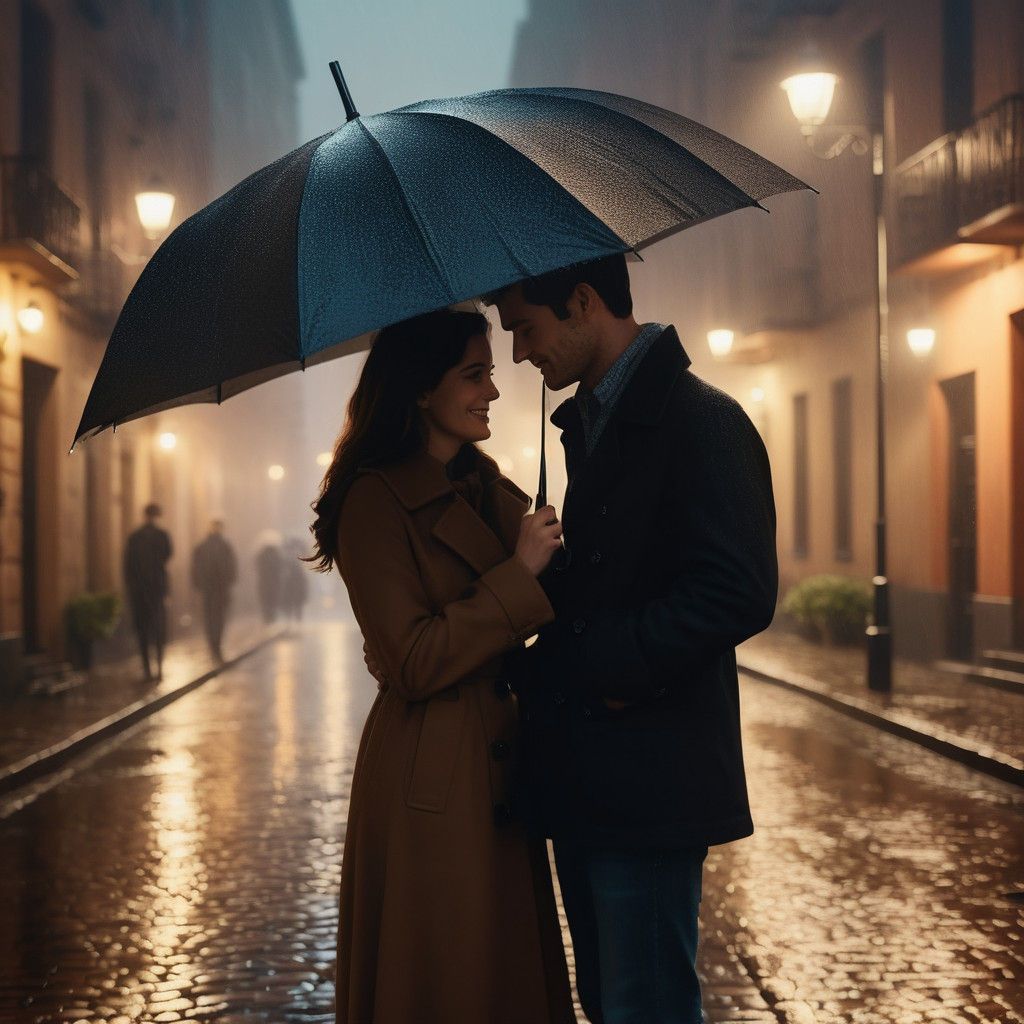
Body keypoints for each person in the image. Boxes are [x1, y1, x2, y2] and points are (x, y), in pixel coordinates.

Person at [488, 253, 778, 1024]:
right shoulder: (597, 422)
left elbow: (738, 590)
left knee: (644, 1004)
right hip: (593, 783)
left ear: (582, 301)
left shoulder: (701, 419)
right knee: (614, 1003)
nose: (518, 351)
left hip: (651, 781)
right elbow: (623, 578)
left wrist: (613, 666)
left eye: (524, 326)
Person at [307, 307, 573, 1024]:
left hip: (499, 765)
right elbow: (416, 661)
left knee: (503, 980)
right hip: (432, 781)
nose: (493, 389)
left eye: (490, 372)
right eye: (473, 374)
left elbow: (558, 586)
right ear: (422, 390)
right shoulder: (374, 501)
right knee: (445, 980)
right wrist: (517, 575)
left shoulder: (484, 487)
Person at [123, 501, 173, 681]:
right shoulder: (161, 535)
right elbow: (168, 556)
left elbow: (128, 564)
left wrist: (131, 586)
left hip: (141, 591)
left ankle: (149, 669)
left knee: (144, 630)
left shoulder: (135, 537)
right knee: (156, 629)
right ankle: (156, 667)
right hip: (155, 589)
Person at [190, 518, 237, 661]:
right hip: (209, 589)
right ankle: (213, 645)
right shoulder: (203, 547)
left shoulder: (225, 546)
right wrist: (198, 583)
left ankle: (216, 644)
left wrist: (229, 581)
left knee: (219, 618)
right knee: (210, 618)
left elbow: (232, 566)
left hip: (220, 589)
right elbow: (196, 567)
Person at [254, 539, 282, 623]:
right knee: (273, 599)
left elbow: (257, 566)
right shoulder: (277, 555)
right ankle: (271, 615)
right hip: (274, 582)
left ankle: (267, 616)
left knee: (265, 599)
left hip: (264, 581)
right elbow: (280, 567)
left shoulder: (261, 555)